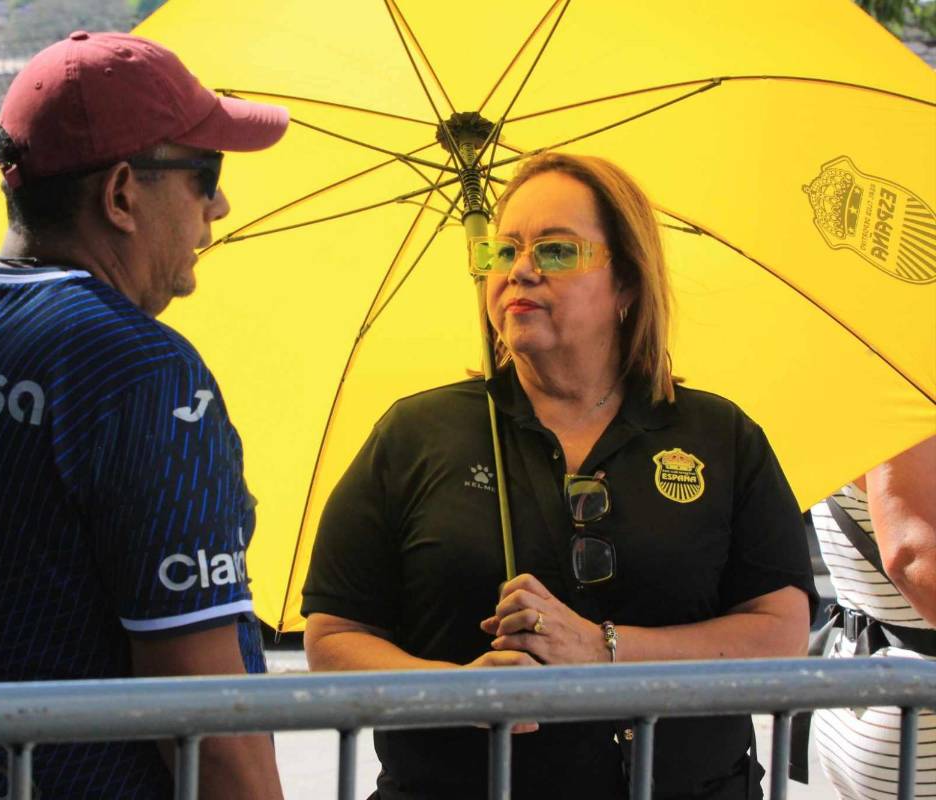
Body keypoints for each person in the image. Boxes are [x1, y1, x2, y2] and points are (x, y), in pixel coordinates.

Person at [0, 31, 288, 799]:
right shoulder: (143, 373)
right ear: (121, 194)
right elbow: (212, 720)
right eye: (205, 173)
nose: (219, 204)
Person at [302, 152, 818, 799]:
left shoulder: (719, 436)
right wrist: (455, 691)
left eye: (555, 250)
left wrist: (603, 649)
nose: (519, 270)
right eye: (503, 250)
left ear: (627, 282)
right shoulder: (416, 433)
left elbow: (780, 631)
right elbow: (335, 634)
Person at [810, 435, 936, 800]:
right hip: (912, 702)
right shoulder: (903, 413)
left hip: (872, 684)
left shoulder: (854, 411)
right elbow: (912, 556)